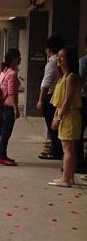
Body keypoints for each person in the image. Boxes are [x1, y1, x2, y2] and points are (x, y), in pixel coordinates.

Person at [49, 47, 82, 187]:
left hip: (70, 115)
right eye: (58, 56)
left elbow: (67, 101)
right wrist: (56, 115)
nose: (59, 59)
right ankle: (70, 176)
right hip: (65, 114)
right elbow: (59, 101)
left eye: (62, 57)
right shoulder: (63, 77)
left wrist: (58, 117)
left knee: (67, 148)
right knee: (69, 148)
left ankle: (66, 178)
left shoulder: (71, 77)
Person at [37, 36, 64, 160]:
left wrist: (40, 100)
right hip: (59, 95)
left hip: (52, 96)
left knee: (52, 124)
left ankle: (56, 151)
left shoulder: (52, 62)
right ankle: (56, 147)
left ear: (49, 49)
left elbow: (45, 84)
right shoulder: (60, 60)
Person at [0, 49, 21, 166]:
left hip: (2, 105)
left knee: (2, 131)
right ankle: (2, 156)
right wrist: (16, 108)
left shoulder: (4, 72)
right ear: (14, 59)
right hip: (8, 106)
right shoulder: (11, 74)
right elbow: (12, 93)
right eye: (19, 57)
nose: (20, 59)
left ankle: (2, 155)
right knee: (6, 132)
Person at [77, 36, 87, 173]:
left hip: (84, 99)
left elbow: (80, 80)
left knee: (78, 133)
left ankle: (80, 162)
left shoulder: (84, 61)